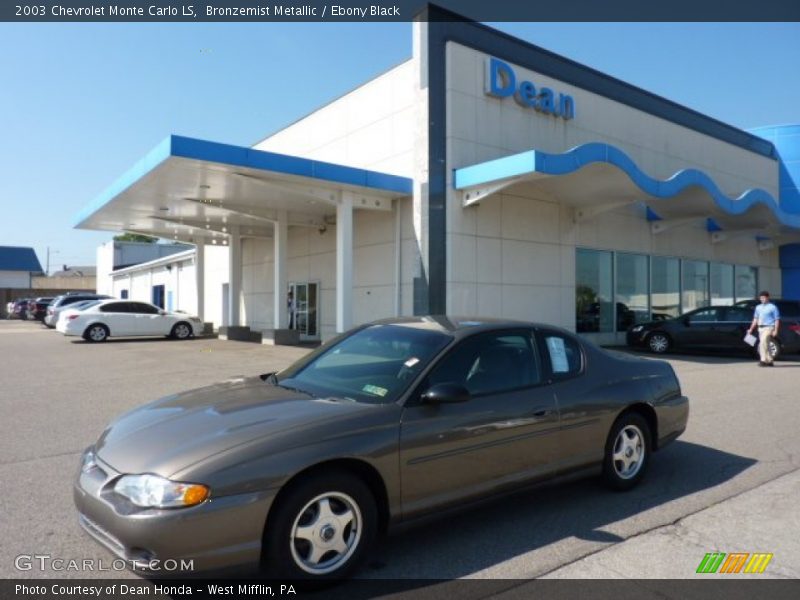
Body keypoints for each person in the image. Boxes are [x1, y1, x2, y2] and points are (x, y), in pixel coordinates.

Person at [748, 290, 780, 367]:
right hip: (760, 328)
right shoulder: (758, 307)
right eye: (761, 298)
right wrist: (751, 328)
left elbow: (777, 319)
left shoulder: (773, 307)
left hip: (769, 327)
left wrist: (776, 330)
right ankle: (770, 360)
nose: (762, 299)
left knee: (763, 342)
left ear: (768, 297)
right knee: (766, 344)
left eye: (764, 298)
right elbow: (755, 319)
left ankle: (763, 360)